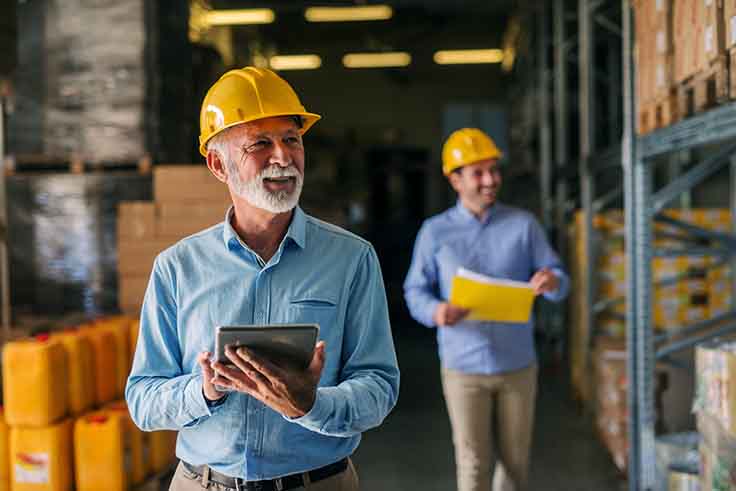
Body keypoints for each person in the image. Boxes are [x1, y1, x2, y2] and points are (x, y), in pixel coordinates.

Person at [126, 67, 400, 491]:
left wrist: (311, 405)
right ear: (218, 164)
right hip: (204, 484)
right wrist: (204, 391)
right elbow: (143, 400)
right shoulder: (177, 268)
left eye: (292, 139)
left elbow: (379, 386)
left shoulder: (351, 259)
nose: (283, 156)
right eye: (260, 143)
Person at [403, 128, 569, 491]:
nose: (491, 180)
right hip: (463, 368)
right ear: (455, 179)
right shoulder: (435, 232)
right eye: (478, 172)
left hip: (518, 366)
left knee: (515, 463)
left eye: (494, 170)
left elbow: (559, 278)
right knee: (473, 463)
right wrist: (436, 312)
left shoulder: (523, 225)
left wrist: (552, 282)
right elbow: (414, 291)